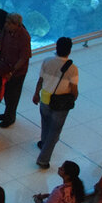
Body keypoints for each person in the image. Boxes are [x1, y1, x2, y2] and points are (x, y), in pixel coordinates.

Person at [32, 37, 79, 169]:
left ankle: (43, 142)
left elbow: (40, 80)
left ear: (56, 47)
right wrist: (73, 98)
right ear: (69, 50)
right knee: (55, 131)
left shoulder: (47, 61)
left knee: (45, 122)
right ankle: (43, 159)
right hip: (61, 102)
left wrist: (36, 94)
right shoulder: (73, 69)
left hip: (46, 97)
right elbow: (74, 89)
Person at [0, 13, 32, 128]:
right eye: (6, 22)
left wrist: (12, 72)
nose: (6, 25)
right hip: (4, 65)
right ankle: (6, 113)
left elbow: (24, 58)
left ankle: (10, 117)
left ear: (17, 25)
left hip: (17, 71)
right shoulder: (6, 31)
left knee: (13, 95)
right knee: (4, 91)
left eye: (9, 23)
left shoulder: (24, 37)